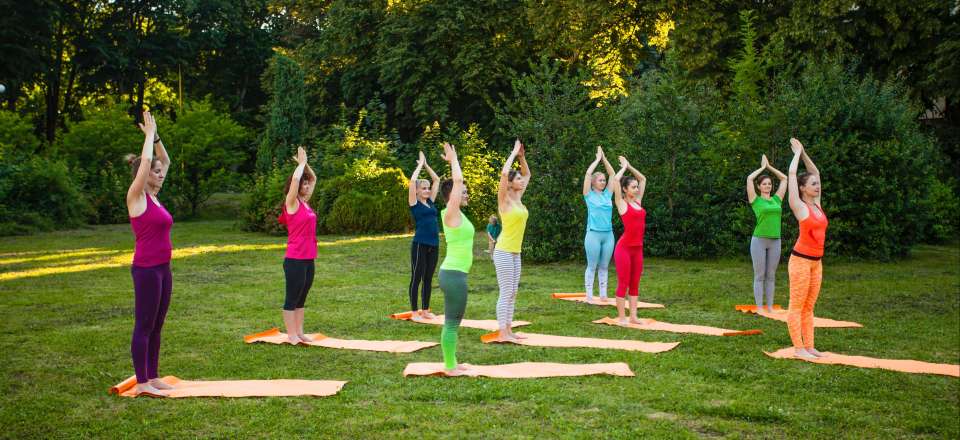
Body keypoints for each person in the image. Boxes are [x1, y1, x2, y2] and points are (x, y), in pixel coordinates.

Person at [125, 110, 174, 397]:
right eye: (154, 172)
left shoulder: (155, 197)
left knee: (157, 324)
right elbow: (147, 162)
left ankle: (153, 376)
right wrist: (146, 140)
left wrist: (155, 138)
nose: (160, 173)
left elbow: (164, 160)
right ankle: (142, 381)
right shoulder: (136, 197)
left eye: (159, 172)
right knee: (144, 324)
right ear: (144, 176)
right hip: (145, 269)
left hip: (163, 268)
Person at [786, 138, 829, 359]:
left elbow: (816, 171)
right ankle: (798, 349)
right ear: (803, 188)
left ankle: (809, 345)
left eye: (817, 184)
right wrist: (795, 155)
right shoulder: (800, 206)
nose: (817, 186)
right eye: (813, 184)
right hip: (800, 261)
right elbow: (792, 175)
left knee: (809, 306)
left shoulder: (817, 205)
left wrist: (803, 153)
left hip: (816, 262)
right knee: (797, 305)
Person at [437, 142, 475, 376]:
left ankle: (452, 361)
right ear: (452, 196)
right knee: (451, 321)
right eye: (462, 191)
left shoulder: (458, 214)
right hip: (452, 275)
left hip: (456, 274)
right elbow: (458, 182)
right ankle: (450, 366)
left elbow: (460, 185)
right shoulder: (450, 212)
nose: (466, 193)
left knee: (455, 320)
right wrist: (454, 161)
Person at [278, 147, 317, 345]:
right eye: (305, 183)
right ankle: (291, 334)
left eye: (309, 184)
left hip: (309, 257)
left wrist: (306, 164)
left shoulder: (306, 202)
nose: (308, 186)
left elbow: (315, 178)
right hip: (294, 258)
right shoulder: (292, 202)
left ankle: (300, 332)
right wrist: (300, 165)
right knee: (292, 296)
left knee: (302, 296)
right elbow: (294, 182)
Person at [494, 139, 531, 342]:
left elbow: (528, 174)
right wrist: (512, 153)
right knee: (506, 291)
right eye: (517, 180)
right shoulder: (505, 200)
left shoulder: (518, 198)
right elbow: (503, 174)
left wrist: (522, 157)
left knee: (513, 292)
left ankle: (509, 329)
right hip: (504, 251)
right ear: (510, 183)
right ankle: (502, 332)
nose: (522, 181)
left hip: (515, 252)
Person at [746, 154, 787, 313]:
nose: (768, 186)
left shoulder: (777, 200)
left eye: (769, 183)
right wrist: (762, 168)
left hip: (775, 240)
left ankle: (770, 307)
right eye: (764, 184)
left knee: (771, 275)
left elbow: (784, 179)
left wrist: (769, 167)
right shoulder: (756, 200)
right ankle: (760, 307)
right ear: (759, 186)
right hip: (759, 240)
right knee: (760, 275)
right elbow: (749, 179)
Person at [609, 156, 647, 324]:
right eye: (633, 187)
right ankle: (622, 317)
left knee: (635, 282)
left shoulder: (638, 202)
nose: (637, 189)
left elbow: (643, 178)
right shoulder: (621, 203)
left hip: (637, 249)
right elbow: (616, 179)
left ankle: (633, 316)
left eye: (637, 187)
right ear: (625, 189)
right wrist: (623, 168)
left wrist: (630, 165)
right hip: (623, 249)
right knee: (623, 281)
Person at [407, 151, 441, 320]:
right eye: (424, 188)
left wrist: (427, 165)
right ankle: (414, 312)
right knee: (417, 277)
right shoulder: (414, 203)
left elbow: (437, 180)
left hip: (434, 244)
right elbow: (412, 181)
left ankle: (425, 310)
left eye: (428, 188)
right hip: (420, 244)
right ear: (417, 191)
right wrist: (419, 165)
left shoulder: (430, 202)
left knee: (428, 278)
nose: (427, 190)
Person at [582, 145, 616, 303]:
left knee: (604, 266)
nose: (603, 182)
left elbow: (612, 174)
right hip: (593, 234)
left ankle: (603, 294)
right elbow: (588, 174)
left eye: (604, 180)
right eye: (600, 180)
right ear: (594, 182)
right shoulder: (588, 195)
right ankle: (589, 295)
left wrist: (604, 159)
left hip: (608, 234)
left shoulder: (608, 194)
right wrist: (596, 160)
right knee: (592, 265)